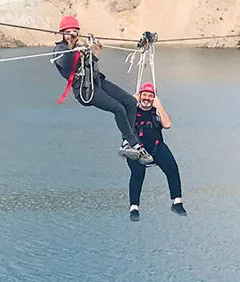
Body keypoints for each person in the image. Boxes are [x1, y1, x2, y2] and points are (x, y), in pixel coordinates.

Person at [51, 15, 153, 165]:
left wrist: (94, 54)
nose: (73, 34)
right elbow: (66, 64)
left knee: (131, 102)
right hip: (84, 90)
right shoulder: (59, 50)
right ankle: (134, 143)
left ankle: (126, 142)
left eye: (75, 31)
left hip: (97, 81)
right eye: (69, 32)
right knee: (118, 108)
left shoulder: (81, 47)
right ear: (63, 33)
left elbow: (89, 65)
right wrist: (72, 45)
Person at [126, 82, 186, 221]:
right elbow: (122, 112)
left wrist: (158, 105)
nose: (147, 98)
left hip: (156, 146)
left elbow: (167, 124)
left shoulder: (156, 111)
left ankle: (177, 202)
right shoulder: (131, 111)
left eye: (150, 96)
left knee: (172, 168)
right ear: (140, 96)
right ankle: (134, 207)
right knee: (137, 173)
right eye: (144, 95)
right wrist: (132, 100)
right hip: (136, 149)